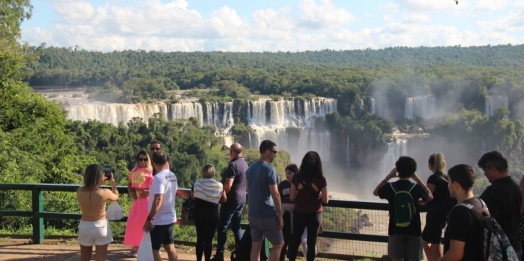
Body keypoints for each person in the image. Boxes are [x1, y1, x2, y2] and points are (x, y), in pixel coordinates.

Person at [373, 156, 433, 261]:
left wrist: (389, 176)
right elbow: (430, 196)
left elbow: (376, 192)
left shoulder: (390, 187)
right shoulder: (416, 188)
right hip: (414, 228)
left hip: (395, 228)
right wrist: (417, 179)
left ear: (397, 170)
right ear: (413, 172)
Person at [478, 151, 523, 260]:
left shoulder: (494, 192)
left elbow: (483, 220)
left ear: (493, 169)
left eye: (485, 171)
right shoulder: (516, 187)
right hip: (516, 246)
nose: (485, 175)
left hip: (500, 250)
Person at [246, 140, 284, 261]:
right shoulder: (270, 170)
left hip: (253, 214)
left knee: (256, 246)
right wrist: (280, 214)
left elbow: (248, 191)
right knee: (279, 244)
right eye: (274, 152)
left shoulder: (250, 168)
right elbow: (276, 194)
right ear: (267, 152)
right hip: (267, 215)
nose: (275, 155)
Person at [287, 152, 328, 261]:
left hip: (299, 212)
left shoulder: (296, 177)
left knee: (295, 240)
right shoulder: (321, 179)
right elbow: (325, 200)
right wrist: (318, 194)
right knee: (311, 242)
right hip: (315, 214)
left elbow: (292, 198)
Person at [438, 164, 484, 261]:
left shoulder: (459, 212)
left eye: (449, 182)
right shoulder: (481, 204)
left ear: (456, 185)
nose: (448, 185)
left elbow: (455, 254)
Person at [212, 143, 248, 261]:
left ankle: (220, 254)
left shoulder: (233, 165)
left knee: (222, 227)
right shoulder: (245, 164)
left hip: (231, 200)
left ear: (231, 152)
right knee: (236, 227)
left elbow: (228, 186)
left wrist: (222, 197)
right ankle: (241, 253)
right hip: (242, 199)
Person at [77, 164, 119, 261]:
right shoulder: (104, 192)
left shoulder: (80, 191)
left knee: (84, 258)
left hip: (84, 226)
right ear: (99, 176)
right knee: (100, 258)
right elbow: (116, 196)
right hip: (101, 226)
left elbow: (90, 190)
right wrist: (112, 183)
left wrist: (97, 183)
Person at [143, 150, 179, 261]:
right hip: (170, 217)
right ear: (166, 161)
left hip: (159, 220)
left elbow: (158, 199)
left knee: (154, 250)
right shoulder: (172, 175)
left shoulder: (158, 178)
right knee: (170, 247)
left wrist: (149, 218)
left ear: (153, 162)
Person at [192, 164, 227, 261]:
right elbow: (224, 199)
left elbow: (193, 196)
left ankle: (198, 259)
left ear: (202, 172)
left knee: (200, 238)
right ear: (213, 173)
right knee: (209, 240)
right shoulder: (219, 185)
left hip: (199, 213)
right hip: (213, 214)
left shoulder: (197, 183)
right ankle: (207, 259)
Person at [422, 153, 452, 261]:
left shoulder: (433, 178)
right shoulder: (447, 177)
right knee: (425, 240)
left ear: (430, 165)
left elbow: (428, 196)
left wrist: (419, 201)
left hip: (435, 213)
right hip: (444, 212)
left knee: (435, 242)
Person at [123, 151, 153, 257]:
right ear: (137, 160)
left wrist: (149, 191)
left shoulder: (150, 171)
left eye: (145, 159)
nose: (143, 161)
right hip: (138, 200)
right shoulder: (134, 170)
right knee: (133, 222)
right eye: (140, 159)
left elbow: (155, 185)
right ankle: (135, 245)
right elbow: (130, 183)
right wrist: (131, 191)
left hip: (147, 200)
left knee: (143, 223)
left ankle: (141, 247)